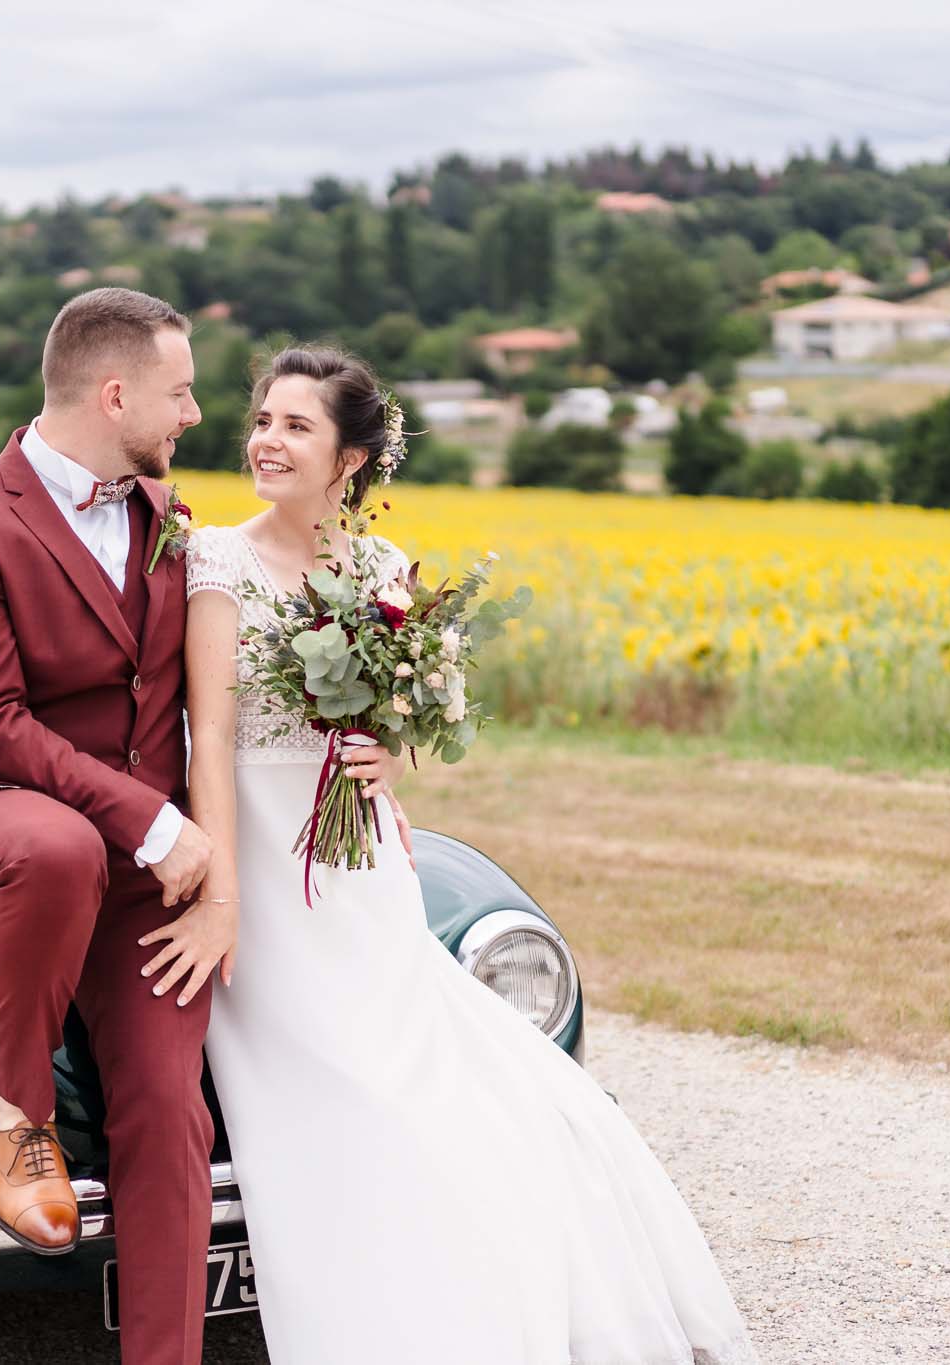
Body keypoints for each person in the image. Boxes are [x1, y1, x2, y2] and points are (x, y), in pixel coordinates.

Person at [139, 345, 762, 1364]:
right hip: (262, 871)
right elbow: (206, 737)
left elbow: (397, 722)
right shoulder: (217, 563)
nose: (264, 440)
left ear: (348, 460)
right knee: (352, 1091)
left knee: (464, 1084)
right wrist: (218, 889)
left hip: (364, 862)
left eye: (294, 426)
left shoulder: (386, 573)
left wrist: (388, 751)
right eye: (261, 420)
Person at [0, 287, 216, 1365]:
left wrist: (357, 735)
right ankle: (19, 1121)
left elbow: (215, 697)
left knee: (171, 1112)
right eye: (179, 392)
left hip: (144, 876)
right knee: (58, 843)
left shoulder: (171, 519)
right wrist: (144, 816)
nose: (196, 414)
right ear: (113, 392)